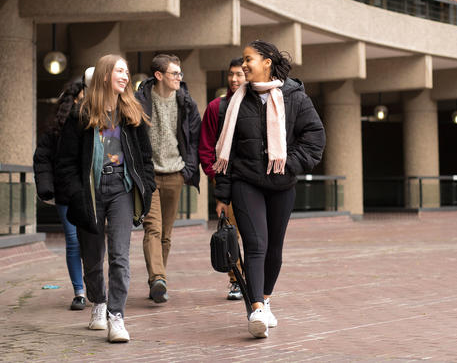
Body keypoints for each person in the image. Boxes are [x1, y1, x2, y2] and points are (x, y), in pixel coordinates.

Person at [214, 40, 325, 339]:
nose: (244, 65)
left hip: (282, 184)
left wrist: (289, 164)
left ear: (267, 62)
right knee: (256, 244)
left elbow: (314, 137)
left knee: (275, 248)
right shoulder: (235, 102)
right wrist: (222, 196)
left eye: (250, 59)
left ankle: (266, 297)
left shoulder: (296, 97)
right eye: (243, 60)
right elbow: (225, 154)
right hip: (246, 182)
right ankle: (257, 307)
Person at [55, 54, 156, 343]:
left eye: (126, 71)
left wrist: (146, 185)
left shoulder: (132, 112)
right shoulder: (81, 114)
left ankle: (117, 316)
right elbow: (65, 163)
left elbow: (145, 157)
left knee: (120, 256)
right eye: (119, 71)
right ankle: (98, 302)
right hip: (90, 191)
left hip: (121, 188)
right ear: (103, 76)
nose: (125, 76)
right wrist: (75, 194)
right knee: (92, 257)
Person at [135, 54, 201, 303]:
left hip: (175, 174)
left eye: (180, 73)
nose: (179, 78)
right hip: (149, 175)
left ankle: (157, 279)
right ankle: (158, 278)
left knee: (166, 233)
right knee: (152, 227)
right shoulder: (140, 100)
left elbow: (194, 138)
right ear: (159, 76)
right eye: (174, 73)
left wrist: (188, 169)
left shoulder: (186, 102)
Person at [33, 78, 87, 311]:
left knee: (93, 241)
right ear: (76, 98)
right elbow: (42, 157)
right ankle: (79, 292)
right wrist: (46, 188)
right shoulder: (58, 126)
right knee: (74, 242)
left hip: (94, 192)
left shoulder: (101, 120)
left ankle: (95, 285)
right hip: (66, 193)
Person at [198, 57, 246, 300]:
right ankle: (236, 280)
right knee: (231, 233)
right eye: (231, 74)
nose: (234, 79)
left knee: (255, 235)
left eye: (239, 74)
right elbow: (206, 146)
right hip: (226, 181)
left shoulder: (259, 106)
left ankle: (256, 280)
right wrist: (213, 175)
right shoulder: (217, 107)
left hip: (254, 181)